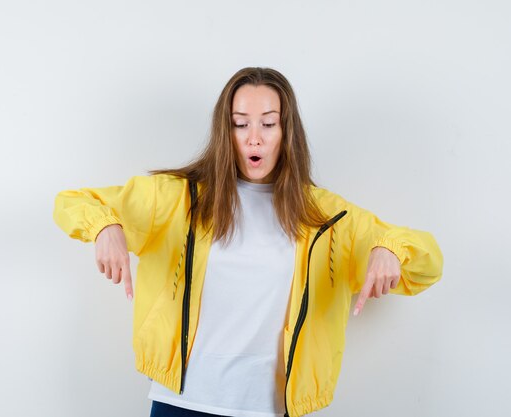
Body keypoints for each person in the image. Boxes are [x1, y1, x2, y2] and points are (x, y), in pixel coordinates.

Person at [52, 67, 444, 417]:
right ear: (226, 130)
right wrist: (106, 227)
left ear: (286, 131)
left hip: (275, 410)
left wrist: (389, 250)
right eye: (241, 124)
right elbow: (72, 202)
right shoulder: (176, 199)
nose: (254, 138)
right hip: (183, 405)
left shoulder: (328, 218)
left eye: (268, 124)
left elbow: (428, 262)